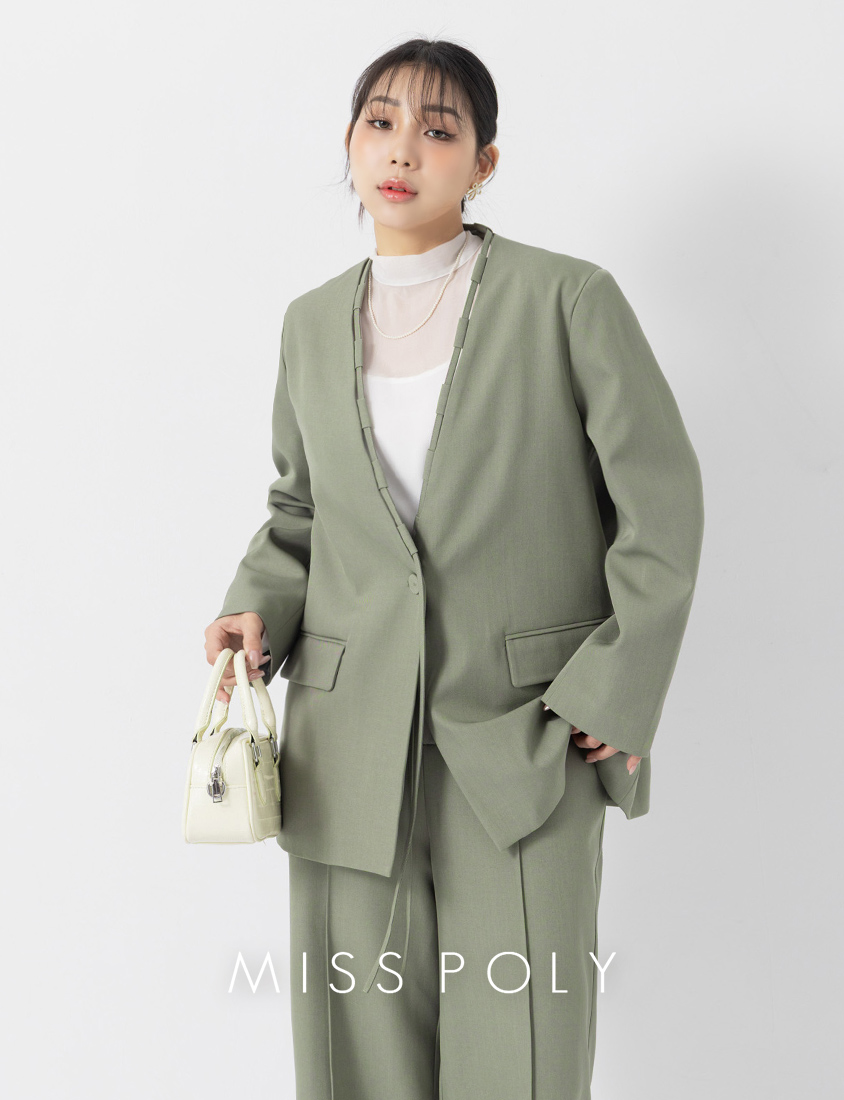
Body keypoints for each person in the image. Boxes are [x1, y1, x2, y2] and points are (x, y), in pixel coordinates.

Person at [204, 37, 704, 1100]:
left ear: (482, 163)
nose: (403, 150)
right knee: (355, 1060)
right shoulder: (309, 324)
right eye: (380, 122)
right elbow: (301, 509)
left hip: (525, 739)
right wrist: (255, 607)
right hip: (345, 749)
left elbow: (660, 507)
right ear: (349, 142)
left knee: (522, 1054)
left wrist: (618, 685)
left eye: (438, 130)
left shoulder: (568, 299)